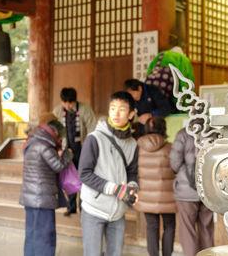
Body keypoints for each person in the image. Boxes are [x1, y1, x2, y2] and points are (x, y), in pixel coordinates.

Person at [78, 91, 139, 256]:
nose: (116, 113)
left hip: (118, 212)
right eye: (112, 108)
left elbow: (132, 172)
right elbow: (84, 174)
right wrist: (115, 189)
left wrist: (132, 187)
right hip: (94, 209)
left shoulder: (133, 144)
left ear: (131, 114)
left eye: (121, 109)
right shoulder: (95, 138)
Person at [19, 116, 73, 256]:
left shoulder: (32, 142)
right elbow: (59, 166)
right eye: (59, 136)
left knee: (31, 235)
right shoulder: (44, 146)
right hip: (42, 199)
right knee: (45, 237)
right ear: (54, 132)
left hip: (31, 198)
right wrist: (67, 154)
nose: (60, 139)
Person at [134, 116, 176, 256]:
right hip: (168, 196)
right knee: (169, 226)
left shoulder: (138, 148)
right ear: (164, 128)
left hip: (146, 196)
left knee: (151, 227)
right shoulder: (170, 148)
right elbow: (176, 168)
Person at [170, 127, 214, 256]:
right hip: (208, 190)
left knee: (187, 230)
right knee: (206, 229)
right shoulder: (213, 133)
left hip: (186, 192)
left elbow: (174, 163)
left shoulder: (183, 133)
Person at [53, 87, 97, 216]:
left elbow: (92, 128)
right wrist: (58, 148)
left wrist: (90, 148)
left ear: (75, 101)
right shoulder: (57, 111)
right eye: (65, 103)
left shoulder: (85, 109)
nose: (68, 106)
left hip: (82, 148)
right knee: (69, 178)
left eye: (70, 103)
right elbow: (54, 131)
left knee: (84, 177)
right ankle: (71, 206)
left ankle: (84, 207)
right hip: (66, 150)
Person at [145, 46, 195, 113]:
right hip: (171, 101)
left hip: (152, 98)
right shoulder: (183, 59)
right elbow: (187, 82)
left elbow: (148, 74)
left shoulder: (159, 57)